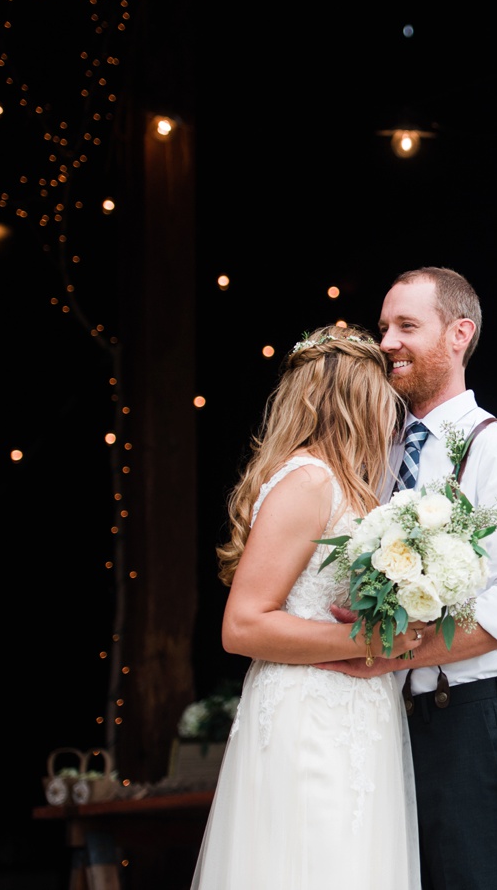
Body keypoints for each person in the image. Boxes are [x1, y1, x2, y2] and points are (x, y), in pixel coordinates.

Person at [319, 267, 497, 890]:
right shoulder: (378, 456)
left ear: (459, 334)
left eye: (407, 326)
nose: (388, 343)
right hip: (377, 727)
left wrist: (390, 656)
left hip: (463, 727)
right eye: (383, 328)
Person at [191, 324, 422, 890]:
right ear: (354, 400)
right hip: (312, 720)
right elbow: (243, 624)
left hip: (354, 716)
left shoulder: (347, 485)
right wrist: (366, 641)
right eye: (383, 398)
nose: (393, 415)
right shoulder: (308, 481)